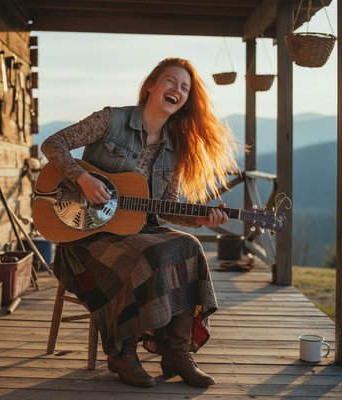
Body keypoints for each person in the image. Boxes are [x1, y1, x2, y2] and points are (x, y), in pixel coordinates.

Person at [40, 57, 238, 388]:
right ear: (151, 85)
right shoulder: (110, 120)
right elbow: (52, 144)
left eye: (185, 88)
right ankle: (123, 351)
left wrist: (203, 218)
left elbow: (167, 208)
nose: (177, 90)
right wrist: (84, 177)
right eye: (171, 81)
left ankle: (176, 352)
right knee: (148, 255)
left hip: (141, 230)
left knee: (188, 246)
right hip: (88, 232)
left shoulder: (175, 147)